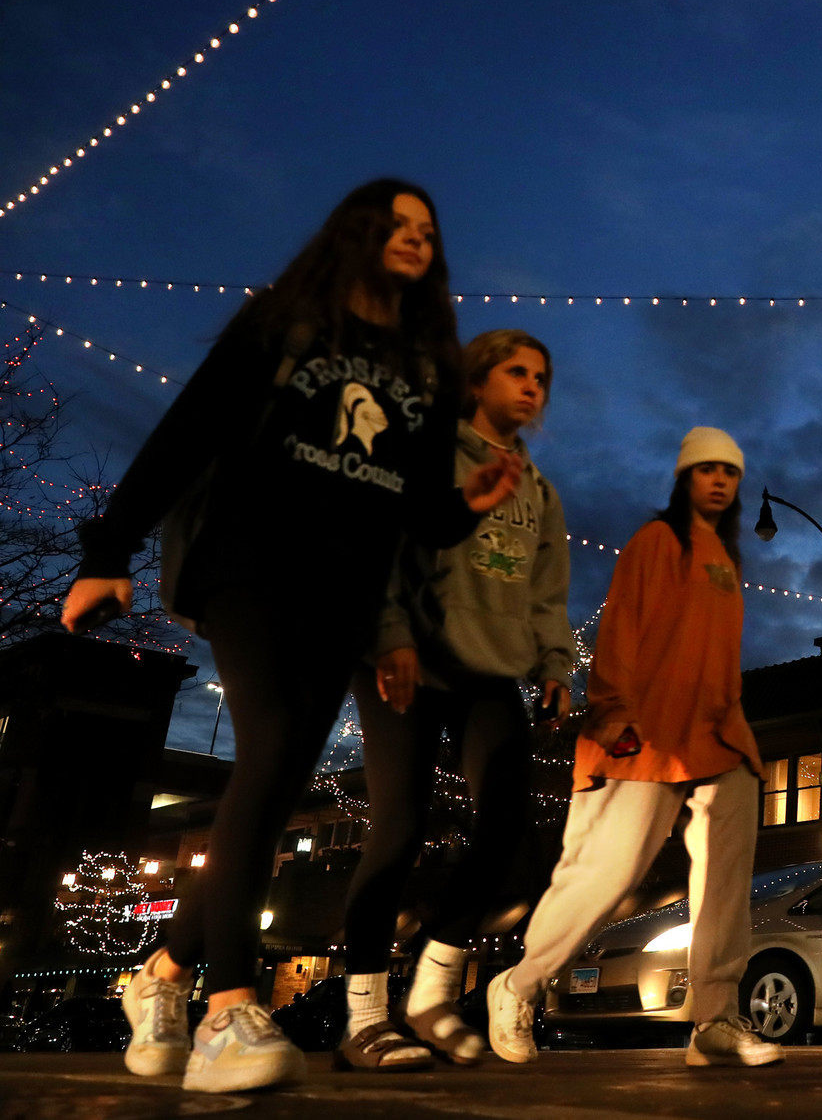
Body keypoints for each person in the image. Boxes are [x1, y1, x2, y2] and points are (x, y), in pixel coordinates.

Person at [68, 180, 522, 1094]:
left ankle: (156, 975)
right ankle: (229, 1008)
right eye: (396, 225)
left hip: (345, 600)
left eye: (428, 231)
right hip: (249, 564)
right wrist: (108, 547)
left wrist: (463, 505)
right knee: (270, 747)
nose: (415, 239)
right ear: (355, 232)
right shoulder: (287, 320)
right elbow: (190, 426)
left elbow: (415, 513)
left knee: (270, 789)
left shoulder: (425, 367)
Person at [484, 429, 781, 1069]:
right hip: (643, 727)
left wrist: (735, 724)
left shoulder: (727, 559)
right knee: (609, 871)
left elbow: (724, 656)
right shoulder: (655, 543)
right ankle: (517, 985)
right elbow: (621, 628)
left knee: (727, 872)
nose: (720, 481)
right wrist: (616, 711)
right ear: (684, 479)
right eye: (706, 470)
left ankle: (715, 1018)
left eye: (729, 471)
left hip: (715, 733)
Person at [334, 329, 574, 1072]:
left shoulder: (538, 488)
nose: (532, 386)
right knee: (399, 829)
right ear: (477, 380)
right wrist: (389, 632)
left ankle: (432, 986)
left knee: (506, 825)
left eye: (542, 375)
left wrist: (557, 661)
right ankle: (364, 1016)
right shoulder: (426, 450)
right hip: (406, 656)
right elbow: (387, 545)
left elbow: (546, 588)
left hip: (490, 672)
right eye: (516, 372)